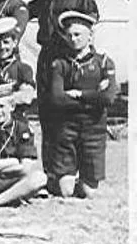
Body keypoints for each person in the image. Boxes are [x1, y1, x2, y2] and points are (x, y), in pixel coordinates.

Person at [28, 0, 99, 171]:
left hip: (68, 60)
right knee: (47, 111)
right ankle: (51, 171)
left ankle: (72, 170)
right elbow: (26, 10)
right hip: (46, 58)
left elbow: (90, 27)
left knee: (68, 113)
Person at [45, 11, 117, 198]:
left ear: (90, 36)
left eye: (78, 35)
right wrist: (94, 97)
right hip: (66, 128)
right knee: (66, 192)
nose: (73, 39)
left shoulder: (103, 63)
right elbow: (57, 99)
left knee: (89, 192)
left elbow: (108, 98)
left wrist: (79, 94)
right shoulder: (59, 64)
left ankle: (84, 179)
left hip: (93, 128)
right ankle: (64, 177)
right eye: (69, 35)